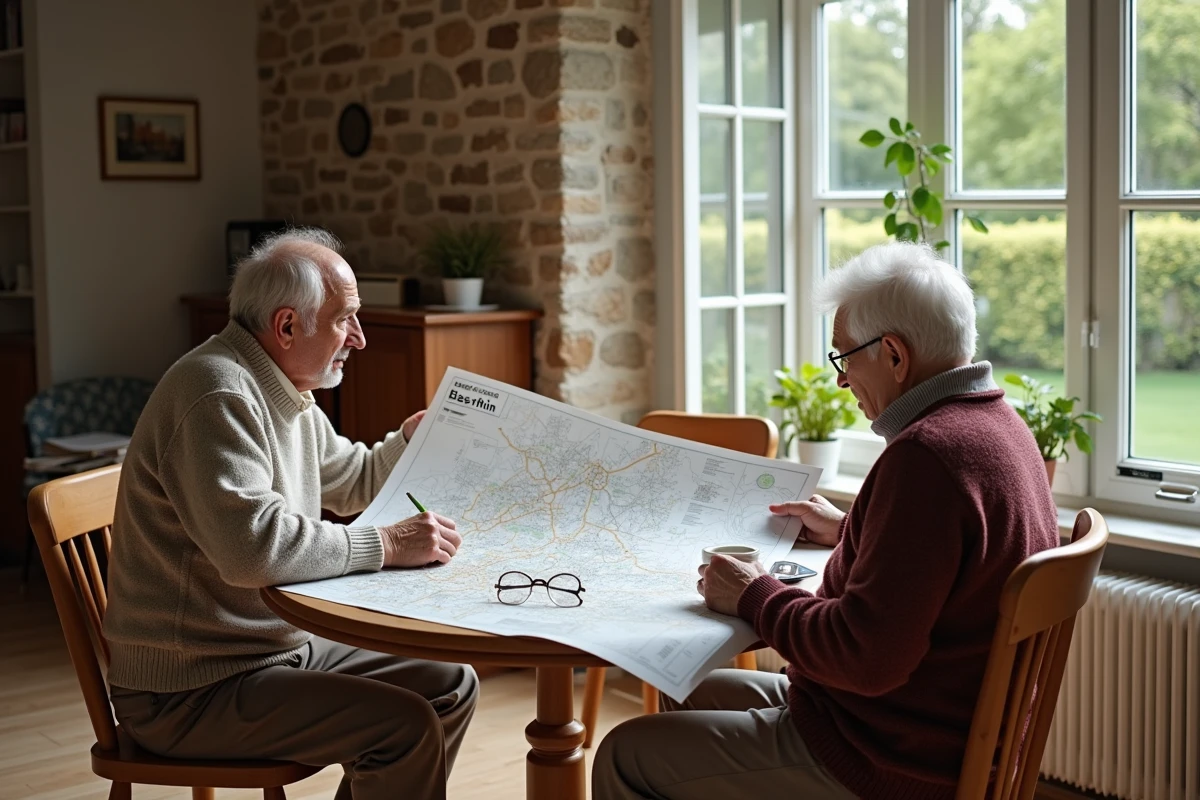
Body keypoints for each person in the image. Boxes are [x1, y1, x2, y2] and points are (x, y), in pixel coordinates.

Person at [593, 240, 1060, 800]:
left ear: (894, 354)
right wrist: (855, 530)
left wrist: (754, 595)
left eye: (844, 356)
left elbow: (866, 660)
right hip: (919, 729)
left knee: (625, 753)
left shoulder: (926, 456)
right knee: (685, 688)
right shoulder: (999, 427)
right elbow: (952, 561)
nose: (841, 379)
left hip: (887, 756)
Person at [103, 228, 475, 800]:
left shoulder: (283, 388)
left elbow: (352, 481)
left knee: (452, 684)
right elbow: (253, 549)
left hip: (270, 650)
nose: (359, 338)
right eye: (345, 318)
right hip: (189, 689)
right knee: (403, 727)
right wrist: (388, 544)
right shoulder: (218, 393)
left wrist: (408, 439)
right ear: (286, 326)